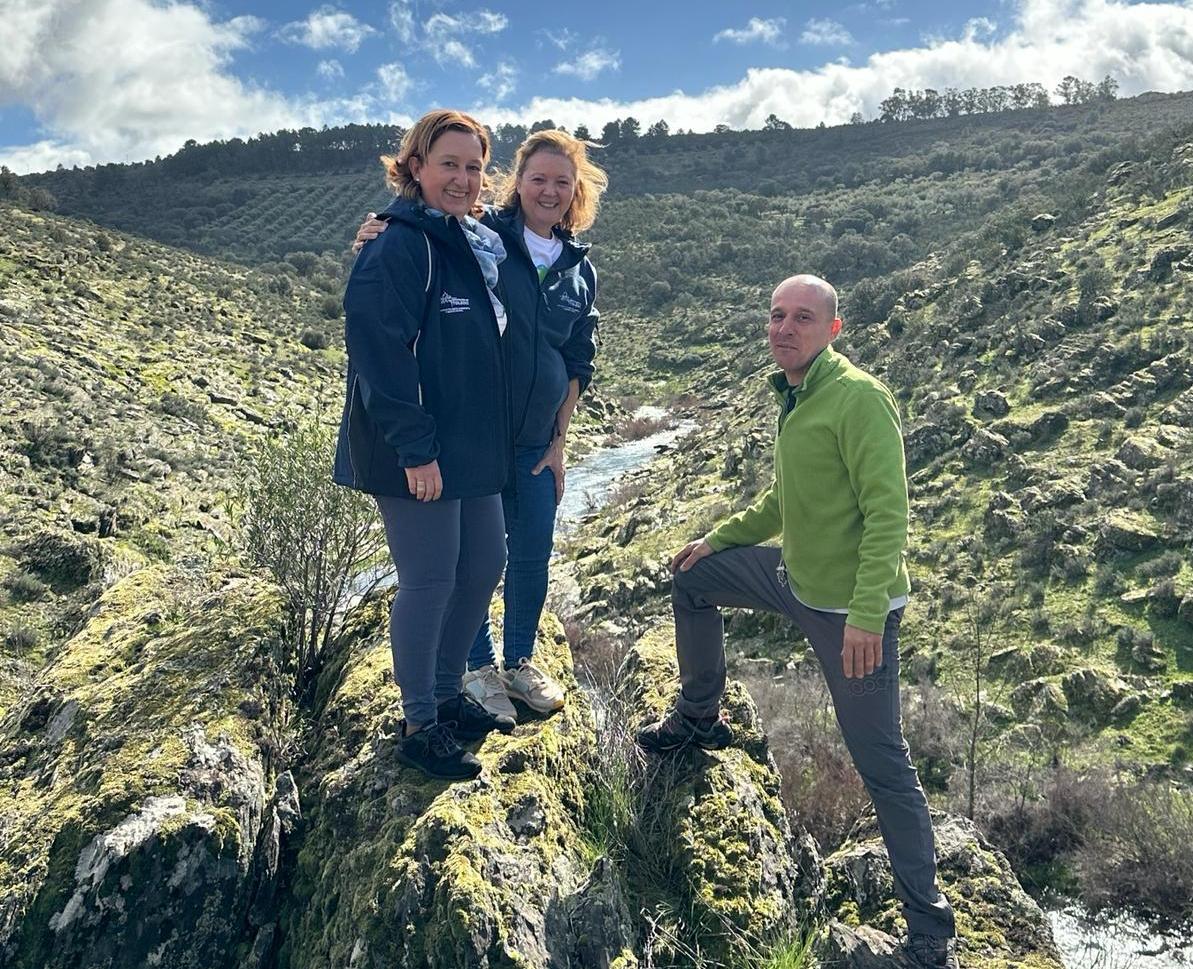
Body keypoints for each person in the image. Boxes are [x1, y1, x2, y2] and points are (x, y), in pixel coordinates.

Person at [636, 274, 958, 969]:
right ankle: (699, 716)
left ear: (833, 329)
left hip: (849, 612)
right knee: (691, 578)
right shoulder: (794, 396)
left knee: (882, 763)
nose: (784, 328)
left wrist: (867, 614)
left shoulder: (858, 398)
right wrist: (717, 539)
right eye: (777, 315)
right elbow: (784, 502)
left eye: (802, 318)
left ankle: (930, 933)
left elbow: (888, 514)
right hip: (792, 577)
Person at [354, 129, 606, 721]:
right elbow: (423, 238)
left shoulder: (578, 269)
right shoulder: (482, 236)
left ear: (576, 192)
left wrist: (560, 441)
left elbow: (578, 359)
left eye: (562, 182)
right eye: (538, 178)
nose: (549, 191)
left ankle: (519, 661)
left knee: (527, 555)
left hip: (535, 442)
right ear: (517, 182)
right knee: (469, 564)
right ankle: (475, 670)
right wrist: (375, 231)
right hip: (477, 438)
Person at [334, 109, 516, 781]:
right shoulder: (398, 245)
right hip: (414, 449)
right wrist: (416, 449)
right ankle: (418, 725)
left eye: (474, 167)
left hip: (467, 447)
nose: (463, 178)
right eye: (449, 164)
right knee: (431, 578)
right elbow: (380, 356)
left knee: (483, 564)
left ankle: (445, 695)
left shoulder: (466, 240)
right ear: (415, 166)